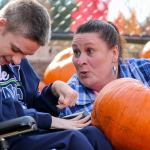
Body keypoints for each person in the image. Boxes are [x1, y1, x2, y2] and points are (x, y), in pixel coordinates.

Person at [0, 1, 113, 150]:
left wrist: (53, 91)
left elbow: (32, 104)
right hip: (9, 139)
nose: (16, 60)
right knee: (73, 139)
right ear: (1, 25)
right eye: (15, 49)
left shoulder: (17, 64)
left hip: (28, 131)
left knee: (92, 133)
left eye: (25, 54)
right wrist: (49, 121)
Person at [59, 19, 150, 117]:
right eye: (76, 52)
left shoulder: (142, 70)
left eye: (89, 51)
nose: (80, 61)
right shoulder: (67, 102)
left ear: (114, 54)